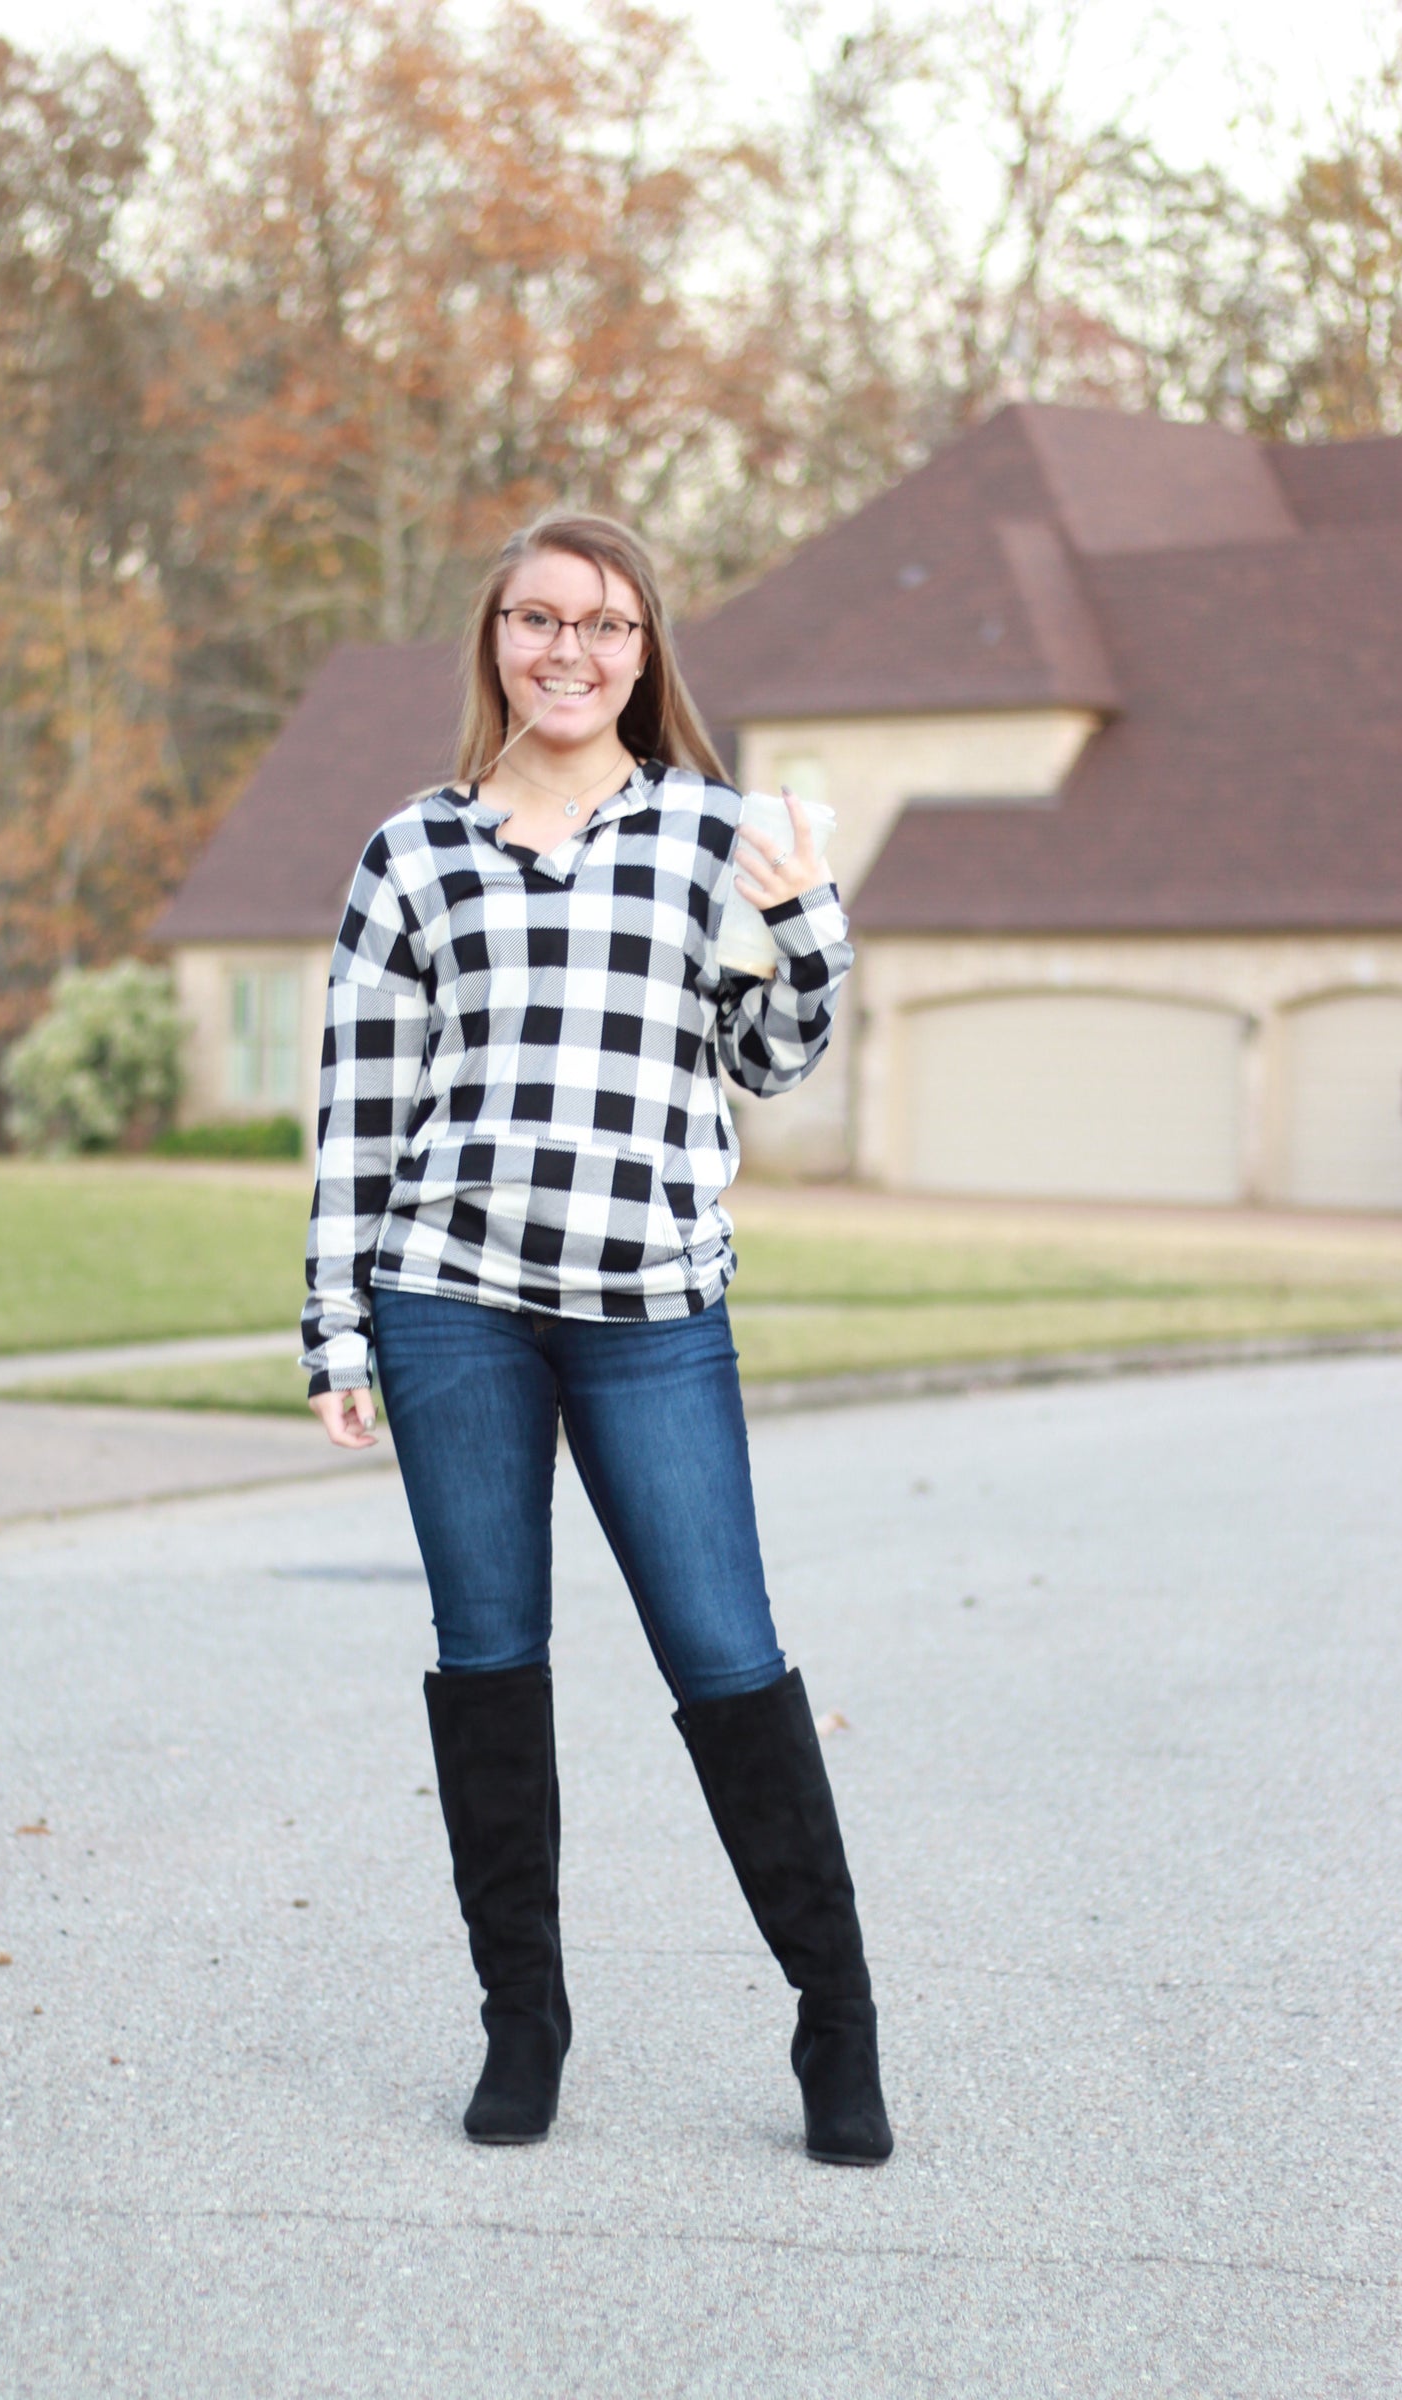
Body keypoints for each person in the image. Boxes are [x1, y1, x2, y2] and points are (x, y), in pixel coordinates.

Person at [301, 513, 892, 2166]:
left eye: (607, 624)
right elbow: (361, 1110)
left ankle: (836, 2020)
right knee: (488, 1659)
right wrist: (337, 1321)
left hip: (653, 1315)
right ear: (496, 640)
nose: (571, 650)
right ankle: (523, 2020)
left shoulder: (715, 834)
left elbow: (770, 1059)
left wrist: (807, 914)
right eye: (541, 619)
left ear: (646, 654)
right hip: (450, 1305)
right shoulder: (411, 852)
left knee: (727, 1656)